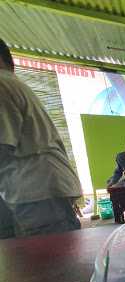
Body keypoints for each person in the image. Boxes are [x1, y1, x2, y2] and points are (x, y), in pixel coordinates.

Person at [0, 39, 81, 238]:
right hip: (38, 189)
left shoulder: (2, 84)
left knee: (54, 263)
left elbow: (3, 146)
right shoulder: (12, 83)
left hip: (38, 191)